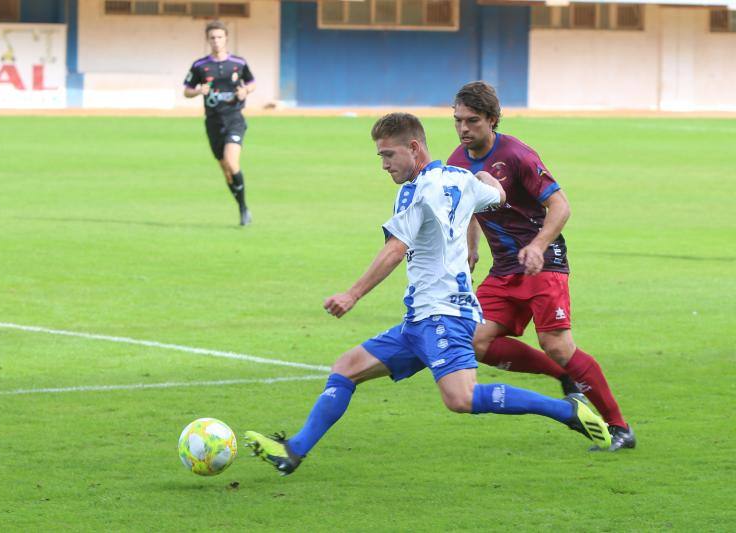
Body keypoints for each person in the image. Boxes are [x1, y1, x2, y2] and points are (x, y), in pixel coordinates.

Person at [244, 113, 611, 475]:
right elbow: (497, 195)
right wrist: (484, 176)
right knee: (346, 368)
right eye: (381, 157)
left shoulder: (414, 192)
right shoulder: (459, 178)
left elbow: (394, 250)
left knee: (461, 399)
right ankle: (293, 450)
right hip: (422, 318)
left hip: (443, 315)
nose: (384, 165)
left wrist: (353, 294)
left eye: (389, 155)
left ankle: (568, 410)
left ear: (414, 147)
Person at [446, 81, 635, 451]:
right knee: (475, 340)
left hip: (543, 264)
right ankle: (564, 377)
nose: (463, 129)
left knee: (557, 344)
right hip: (503, 270)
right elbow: (469, 206)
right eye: (457, 121)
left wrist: (537, 245)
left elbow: (560, 205)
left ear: (492, 120)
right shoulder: (457, 162)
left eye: (472, 121)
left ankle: (619, 428)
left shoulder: (516, 155)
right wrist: (470, 250)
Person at [183, 20, 255, 226]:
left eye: (219, 37)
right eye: (212, 37)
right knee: (225, 169)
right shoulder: (200, 65)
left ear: (226, 39)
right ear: (208, 40)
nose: (216, 41)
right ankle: (242, 206)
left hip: (234, 119)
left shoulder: (239, 63)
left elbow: (251, 83)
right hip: (213, 122)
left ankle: (243, 210)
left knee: (232, 162)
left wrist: (246, 90)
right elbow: (186, 90)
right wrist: (198, 91)